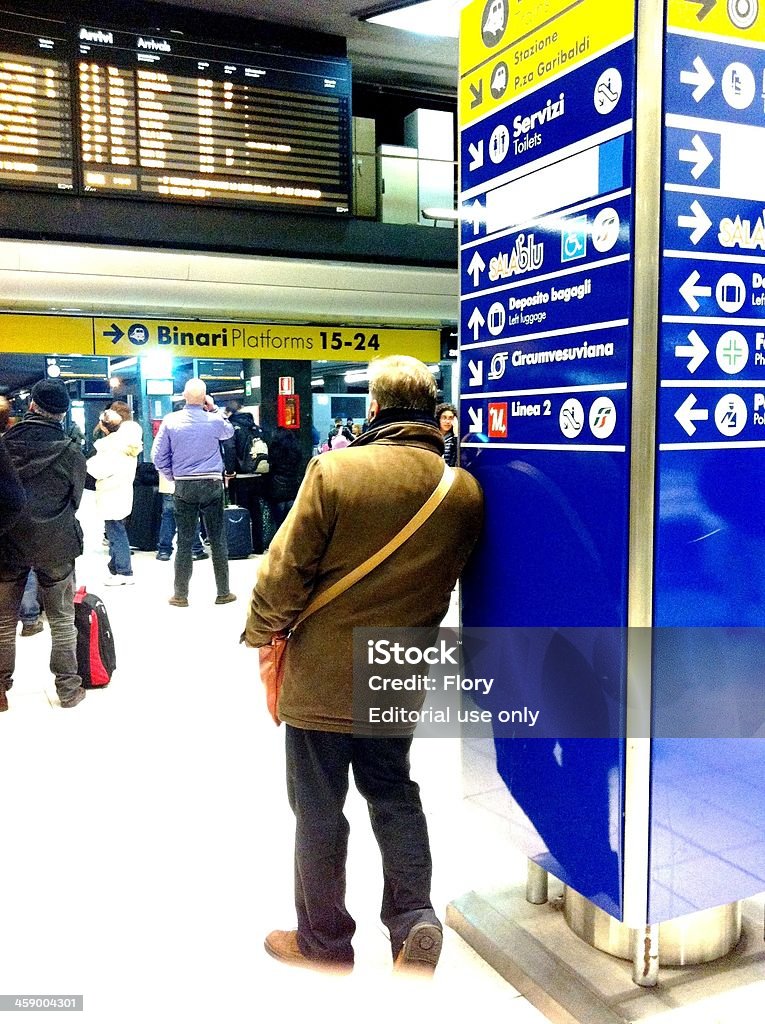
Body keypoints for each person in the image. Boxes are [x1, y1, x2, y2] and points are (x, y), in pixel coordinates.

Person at [242, 355, 483, 974]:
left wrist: (261, 630)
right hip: (399, 666)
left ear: (373, 409)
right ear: (432, 410)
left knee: (319, 806)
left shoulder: (335, 472)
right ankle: (413, 922)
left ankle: (324, 943)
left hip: (323, 669)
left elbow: (285, 567)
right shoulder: (462, 490)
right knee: (394, 791)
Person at [0, 379, 88, 711]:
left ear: (33, 406)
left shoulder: (4, 444)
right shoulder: (70, 450)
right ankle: (68, 689)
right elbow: (75, 499)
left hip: (7, 541)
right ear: (62, 413)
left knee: (4, 622)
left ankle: (0, 691)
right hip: (57, 544)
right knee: (63, 620)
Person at [153, 379, 236, 607]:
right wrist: (215, 408)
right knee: (217, 539)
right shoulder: (214, 420)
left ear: (183, 396)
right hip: (211, 483)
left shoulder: (171, 421)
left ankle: (180, 595)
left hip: (184, 485)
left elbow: (157, 456)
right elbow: (229, 432)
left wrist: (173, 476)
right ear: (205, 397)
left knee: (185, 541)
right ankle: (223, 592)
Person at [86, 409, 144, 585]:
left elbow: (97, 470)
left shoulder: (108, 447)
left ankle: (124, 571)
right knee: (117, 529)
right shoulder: (129, 444)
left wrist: (88, 463)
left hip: (110, 492)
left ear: (104, 427)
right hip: (124, 490)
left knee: (116, 532)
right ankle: (115, 566)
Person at [265, 427, 302, 539]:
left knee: (278, 521)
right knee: (291, 520)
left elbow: (270, 465)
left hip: (277, 487)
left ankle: (278, 542)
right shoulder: (296, 449)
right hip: (292, 487)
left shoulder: (275, 449)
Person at [435, 403, 458, 467]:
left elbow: (458, 458)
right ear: (439, 419)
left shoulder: (454, 438)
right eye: (444, 418)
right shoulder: (433, 436)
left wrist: (456, 435)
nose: (447, 421)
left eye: (450, 418)